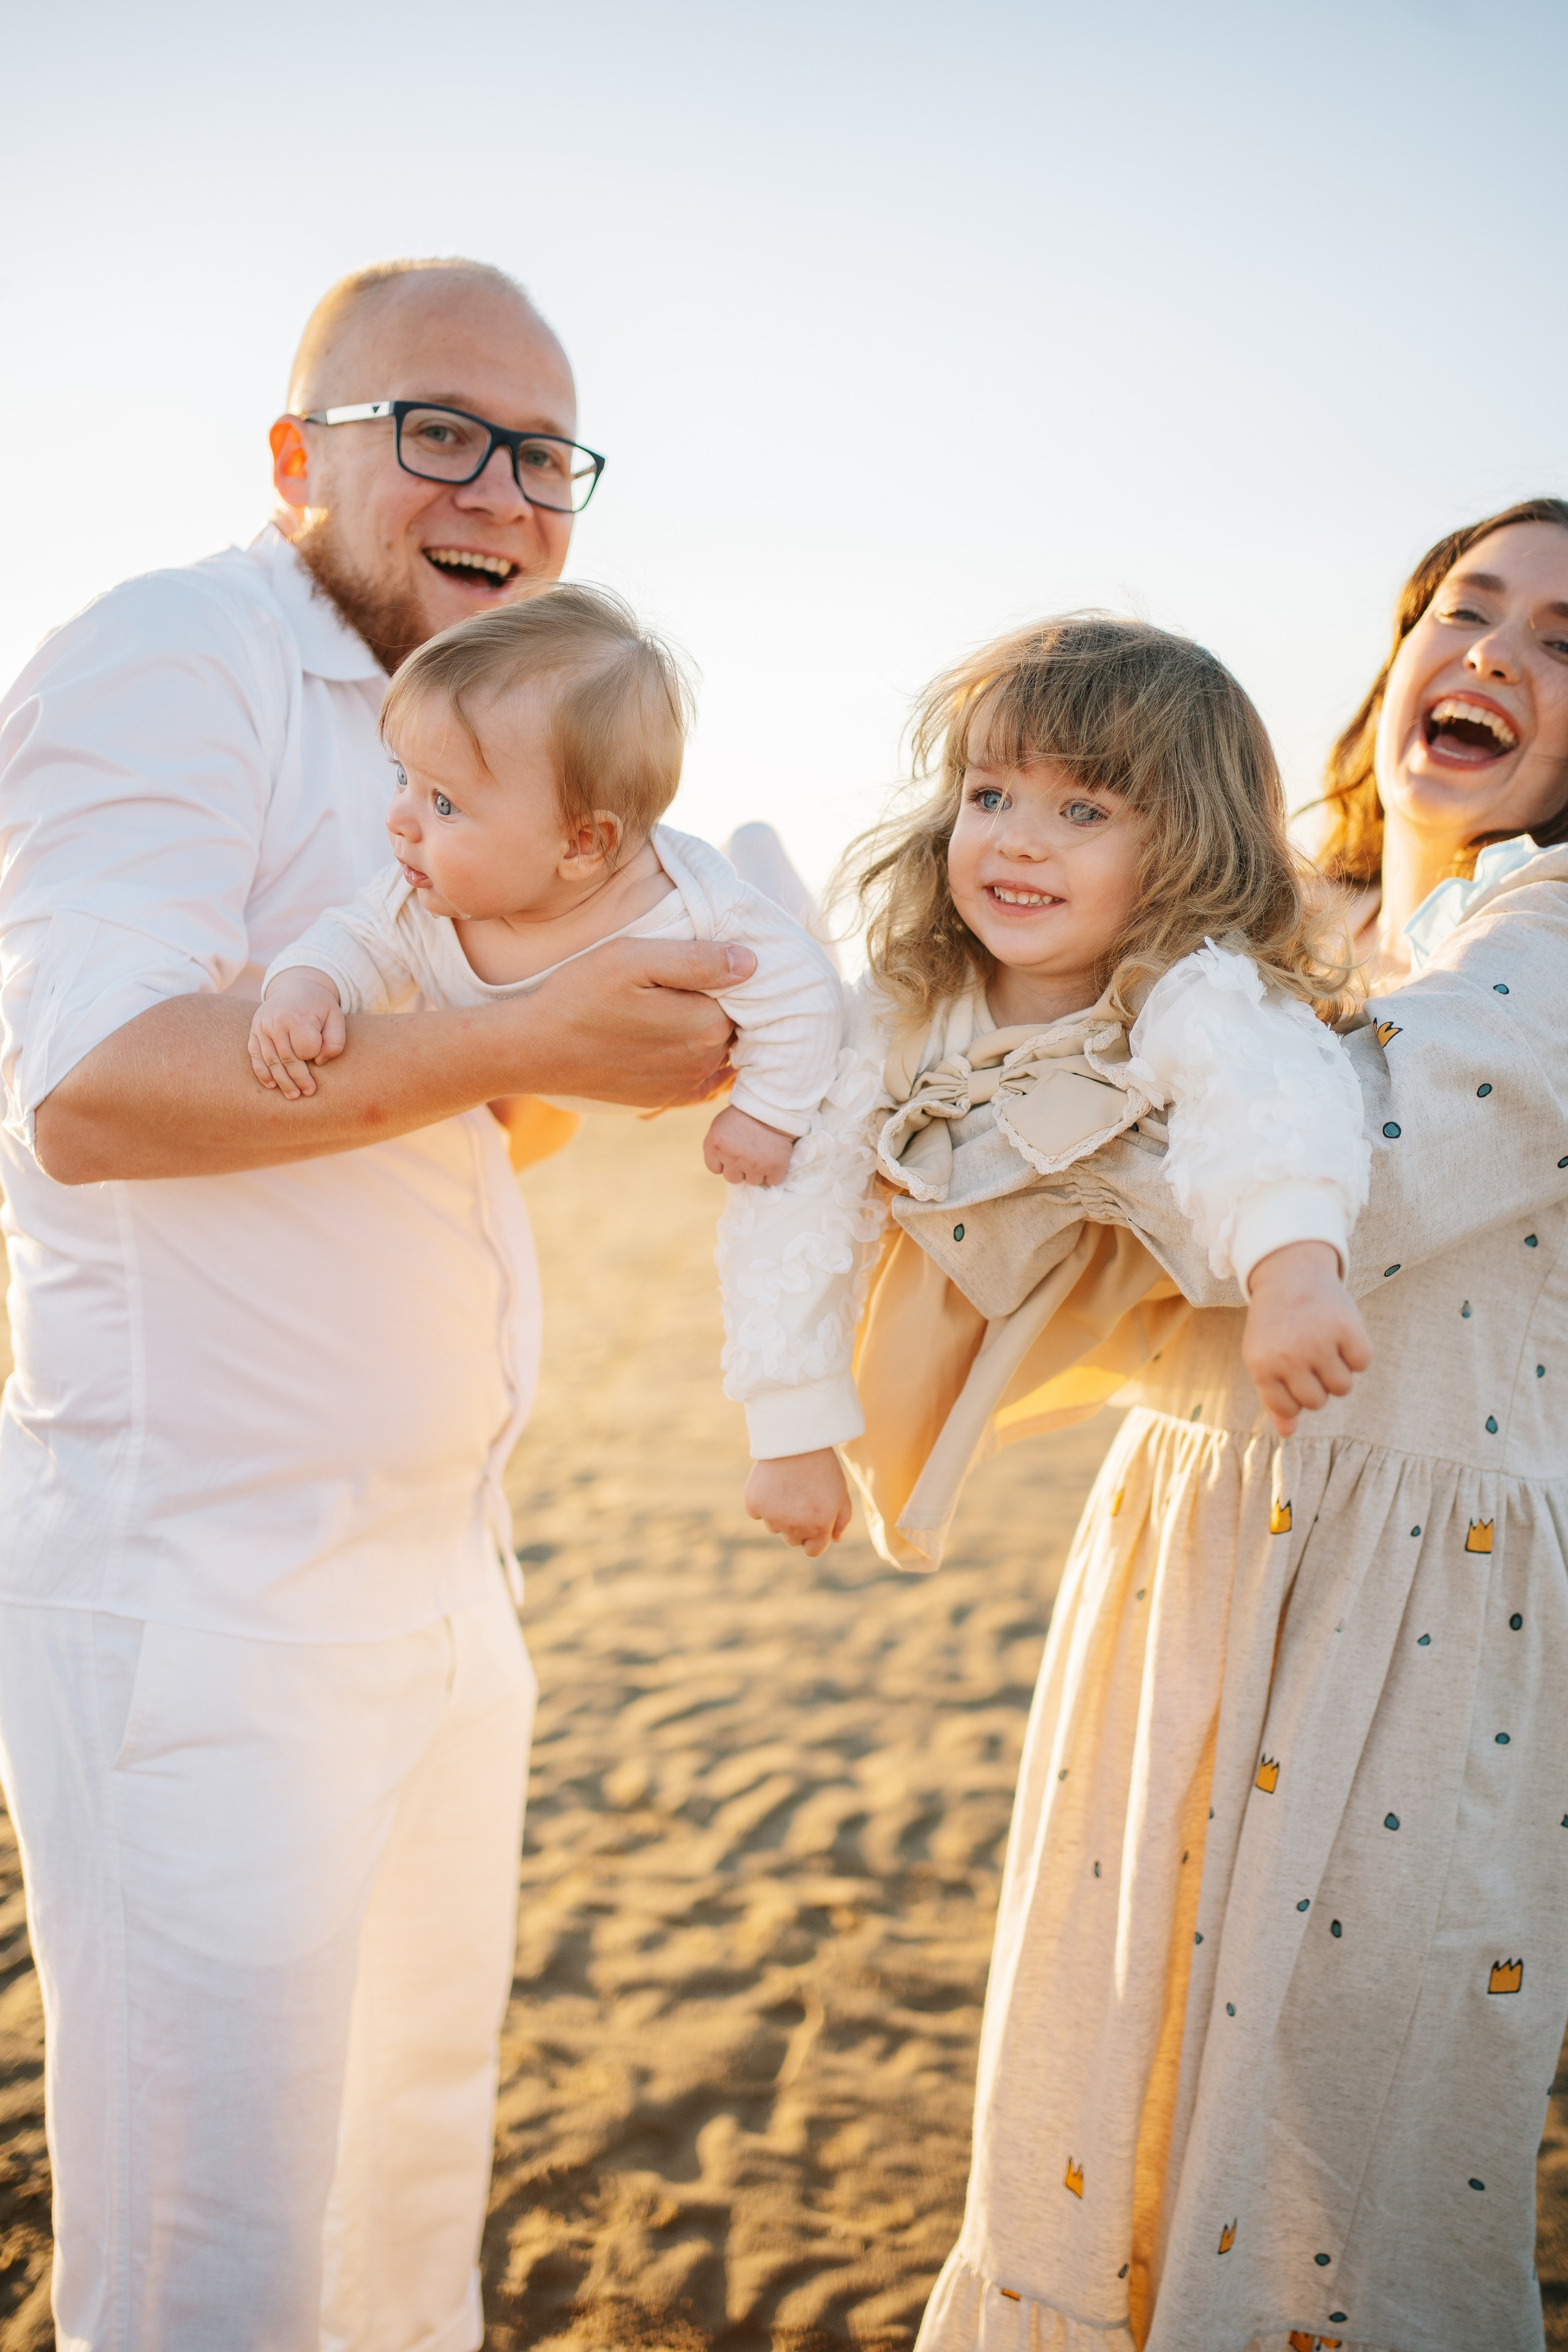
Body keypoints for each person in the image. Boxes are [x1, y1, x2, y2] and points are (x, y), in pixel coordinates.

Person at [0, 257, 744, 2352]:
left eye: (541, 456)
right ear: (293, 457)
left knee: (403, 2197)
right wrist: (544, 1048)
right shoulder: (172, 658)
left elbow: (439, 1126)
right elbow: (89, 1089)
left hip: (440, 1581)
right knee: (209, 2265)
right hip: (206, 1596)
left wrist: (554, 1056)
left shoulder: (490, 730)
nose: (496, 490)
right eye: (437, 430)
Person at [900, 500, 1568, 2352]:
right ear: (1395, 647)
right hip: (1195, 1540)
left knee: (1336, 2147)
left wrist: (1082, 1069)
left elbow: (1346, 1162)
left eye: (1564, 638)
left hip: (1416, 1596)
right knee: (1100, 2093)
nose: (1497, 653)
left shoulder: (1552, 934)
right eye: (1465, 606)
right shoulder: (1290, 921)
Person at [720, 614, 1374, 1565]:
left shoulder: (1187, 990)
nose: (1018, 843)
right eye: (990, 795)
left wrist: (1295, 1273)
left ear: (1190, 846)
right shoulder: (910, 1004)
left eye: (1083, 812)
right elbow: (799, 1197)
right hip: (908, 1293)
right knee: (813, 1057)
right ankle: (777, 947)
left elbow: (1267, 1097)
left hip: (1064, 1316)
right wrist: (790, 1431)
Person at [249, 588, 843, 1192]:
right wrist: (306, 987)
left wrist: (765, 1117)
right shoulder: (421, 903)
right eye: (403, 777)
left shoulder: (692, 914)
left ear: (581, 843)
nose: (397, 818)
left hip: (777, 951)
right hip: (591, 1089)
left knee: (810, 953)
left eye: (444, 802)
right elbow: (353, 939)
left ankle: (756, 851)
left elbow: (802, 993)